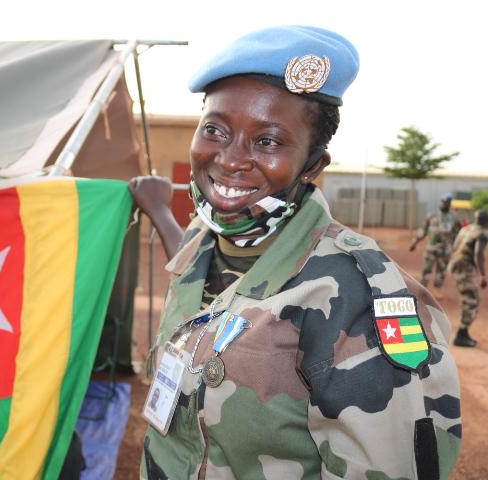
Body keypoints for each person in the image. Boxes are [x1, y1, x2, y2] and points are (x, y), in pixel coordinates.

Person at [130, 26, 461, 479]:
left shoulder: (357, 295)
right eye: (215, 130)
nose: (230, 159)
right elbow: (205, 291)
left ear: (312, 165)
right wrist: (157, 211)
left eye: (267, 141)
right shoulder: (204, 240)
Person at [448, 209, 488, 347]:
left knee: (469, 299)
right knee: (472, 302)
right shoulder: (482, 233)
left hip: (455, 265)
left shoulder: (465, 229)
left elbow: (455, 246)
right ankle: (461, 335)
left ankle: (464, 334)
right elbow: (478, 254)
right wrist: (483, 275)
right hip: (465, 269)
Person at [409, 193, 461, 295]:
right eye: (443, 202)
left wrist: (456, 249)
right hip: (431, 248)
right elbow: (423, 230)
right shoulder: (432, 216)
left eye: (447, 202)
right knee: (426, 269)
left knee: (441, 271)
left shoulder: (454, 218)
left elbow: (457, 235)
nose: (444, 204)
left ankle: (437, 289)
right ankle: (422, 289)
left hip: (445, 250)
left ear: (449, 203)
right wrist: (415, 242)